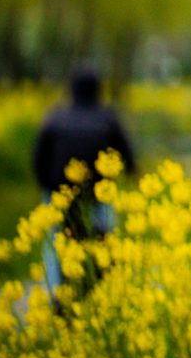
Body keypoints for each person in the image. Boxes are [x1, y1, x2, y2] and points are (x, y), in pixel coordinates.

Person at [32, 65, 136, 291]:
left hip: (59, 193)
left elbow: (39, 158)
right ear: (98, 89)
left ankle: (55, 295)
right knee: (107, 237)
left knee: (54, 242)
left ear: (72, 89)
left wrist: (45, 186)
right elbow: (127, 155)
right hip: (98, 194)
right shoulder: (108, 118)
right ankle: (108, 288)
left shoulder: (55, 117)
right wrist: (132, 174)